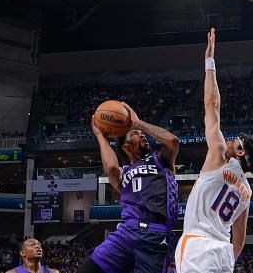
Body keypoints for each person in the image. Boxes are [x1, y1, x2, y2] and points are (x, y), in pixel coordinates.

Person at [175, 28, 253, 273]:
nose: (229, 141)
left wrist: (209, 61)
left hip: (198, 246)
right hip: (224, 253)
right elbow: (240, 242)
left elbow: (212, 104)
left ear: (239, 152)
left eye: (235, 141)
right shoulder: (246, 192)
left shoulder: (218, 155)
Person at [77, 103, 179, 273]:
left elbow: (172, 141)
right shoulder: (124, 173)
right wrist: (100, 136)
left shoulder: (161, 160)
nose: (142, 135)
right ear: (126, 147)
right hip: (126, 232)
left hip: (155, 235)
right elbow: (110, 168)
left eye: (142, 134)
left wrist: (137, 123)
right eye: (135, 134)